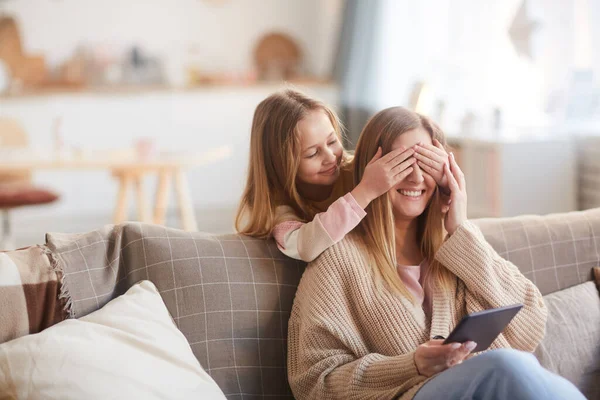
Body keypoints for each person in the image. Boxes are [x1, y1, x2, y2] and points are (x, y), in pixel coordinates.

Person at [287, 106, 584, 400]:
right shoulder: (337, 259)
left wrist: (460, 227)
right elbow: (314, 382)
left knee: (515, 366)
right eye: (402, 163)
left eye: (426, 163)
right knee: (504, 366)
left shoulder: (457, 249)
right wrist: (411, 365)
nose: (416, 178)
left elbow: (530, 324)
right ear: (372, 172)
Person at [236, 90, 423, 262]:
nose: (330, 156)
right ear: (280, 164)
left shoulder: (358, 171)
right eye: (312, 154)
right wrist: (365, 192)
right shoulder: (277, 207)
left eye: (332, 141)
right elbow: (306, 247)